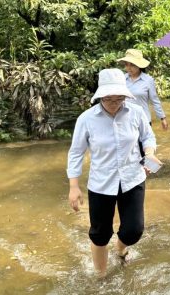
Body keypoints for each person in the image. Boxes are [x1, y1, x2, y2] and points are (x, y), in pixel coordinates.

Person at [67, 68, 161, 277]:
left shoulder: (135, 112)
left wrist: (150, 153)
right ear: (100, 96)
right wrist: (74, 186)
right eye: (110, 99)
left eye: (120, 98)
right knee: (100, 234)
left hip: (132, 178)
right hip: (101, 182)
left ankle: (120, 248)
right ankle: (101, 277)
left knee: (134, 231)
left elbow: (148, 137)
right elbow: (76, 153)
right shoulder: (87, 119)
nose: (115, 103)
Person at [118, 49, 168, 131]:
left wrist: (162, 118)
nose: (129, 68)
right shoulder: (122, 79)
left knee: (145, 144)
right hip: (125, 121)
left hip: (143, 120)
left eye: (132, 65)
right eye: (127, 65)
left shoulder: (148, 80)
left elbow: (154, 100)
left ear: (139, 65)